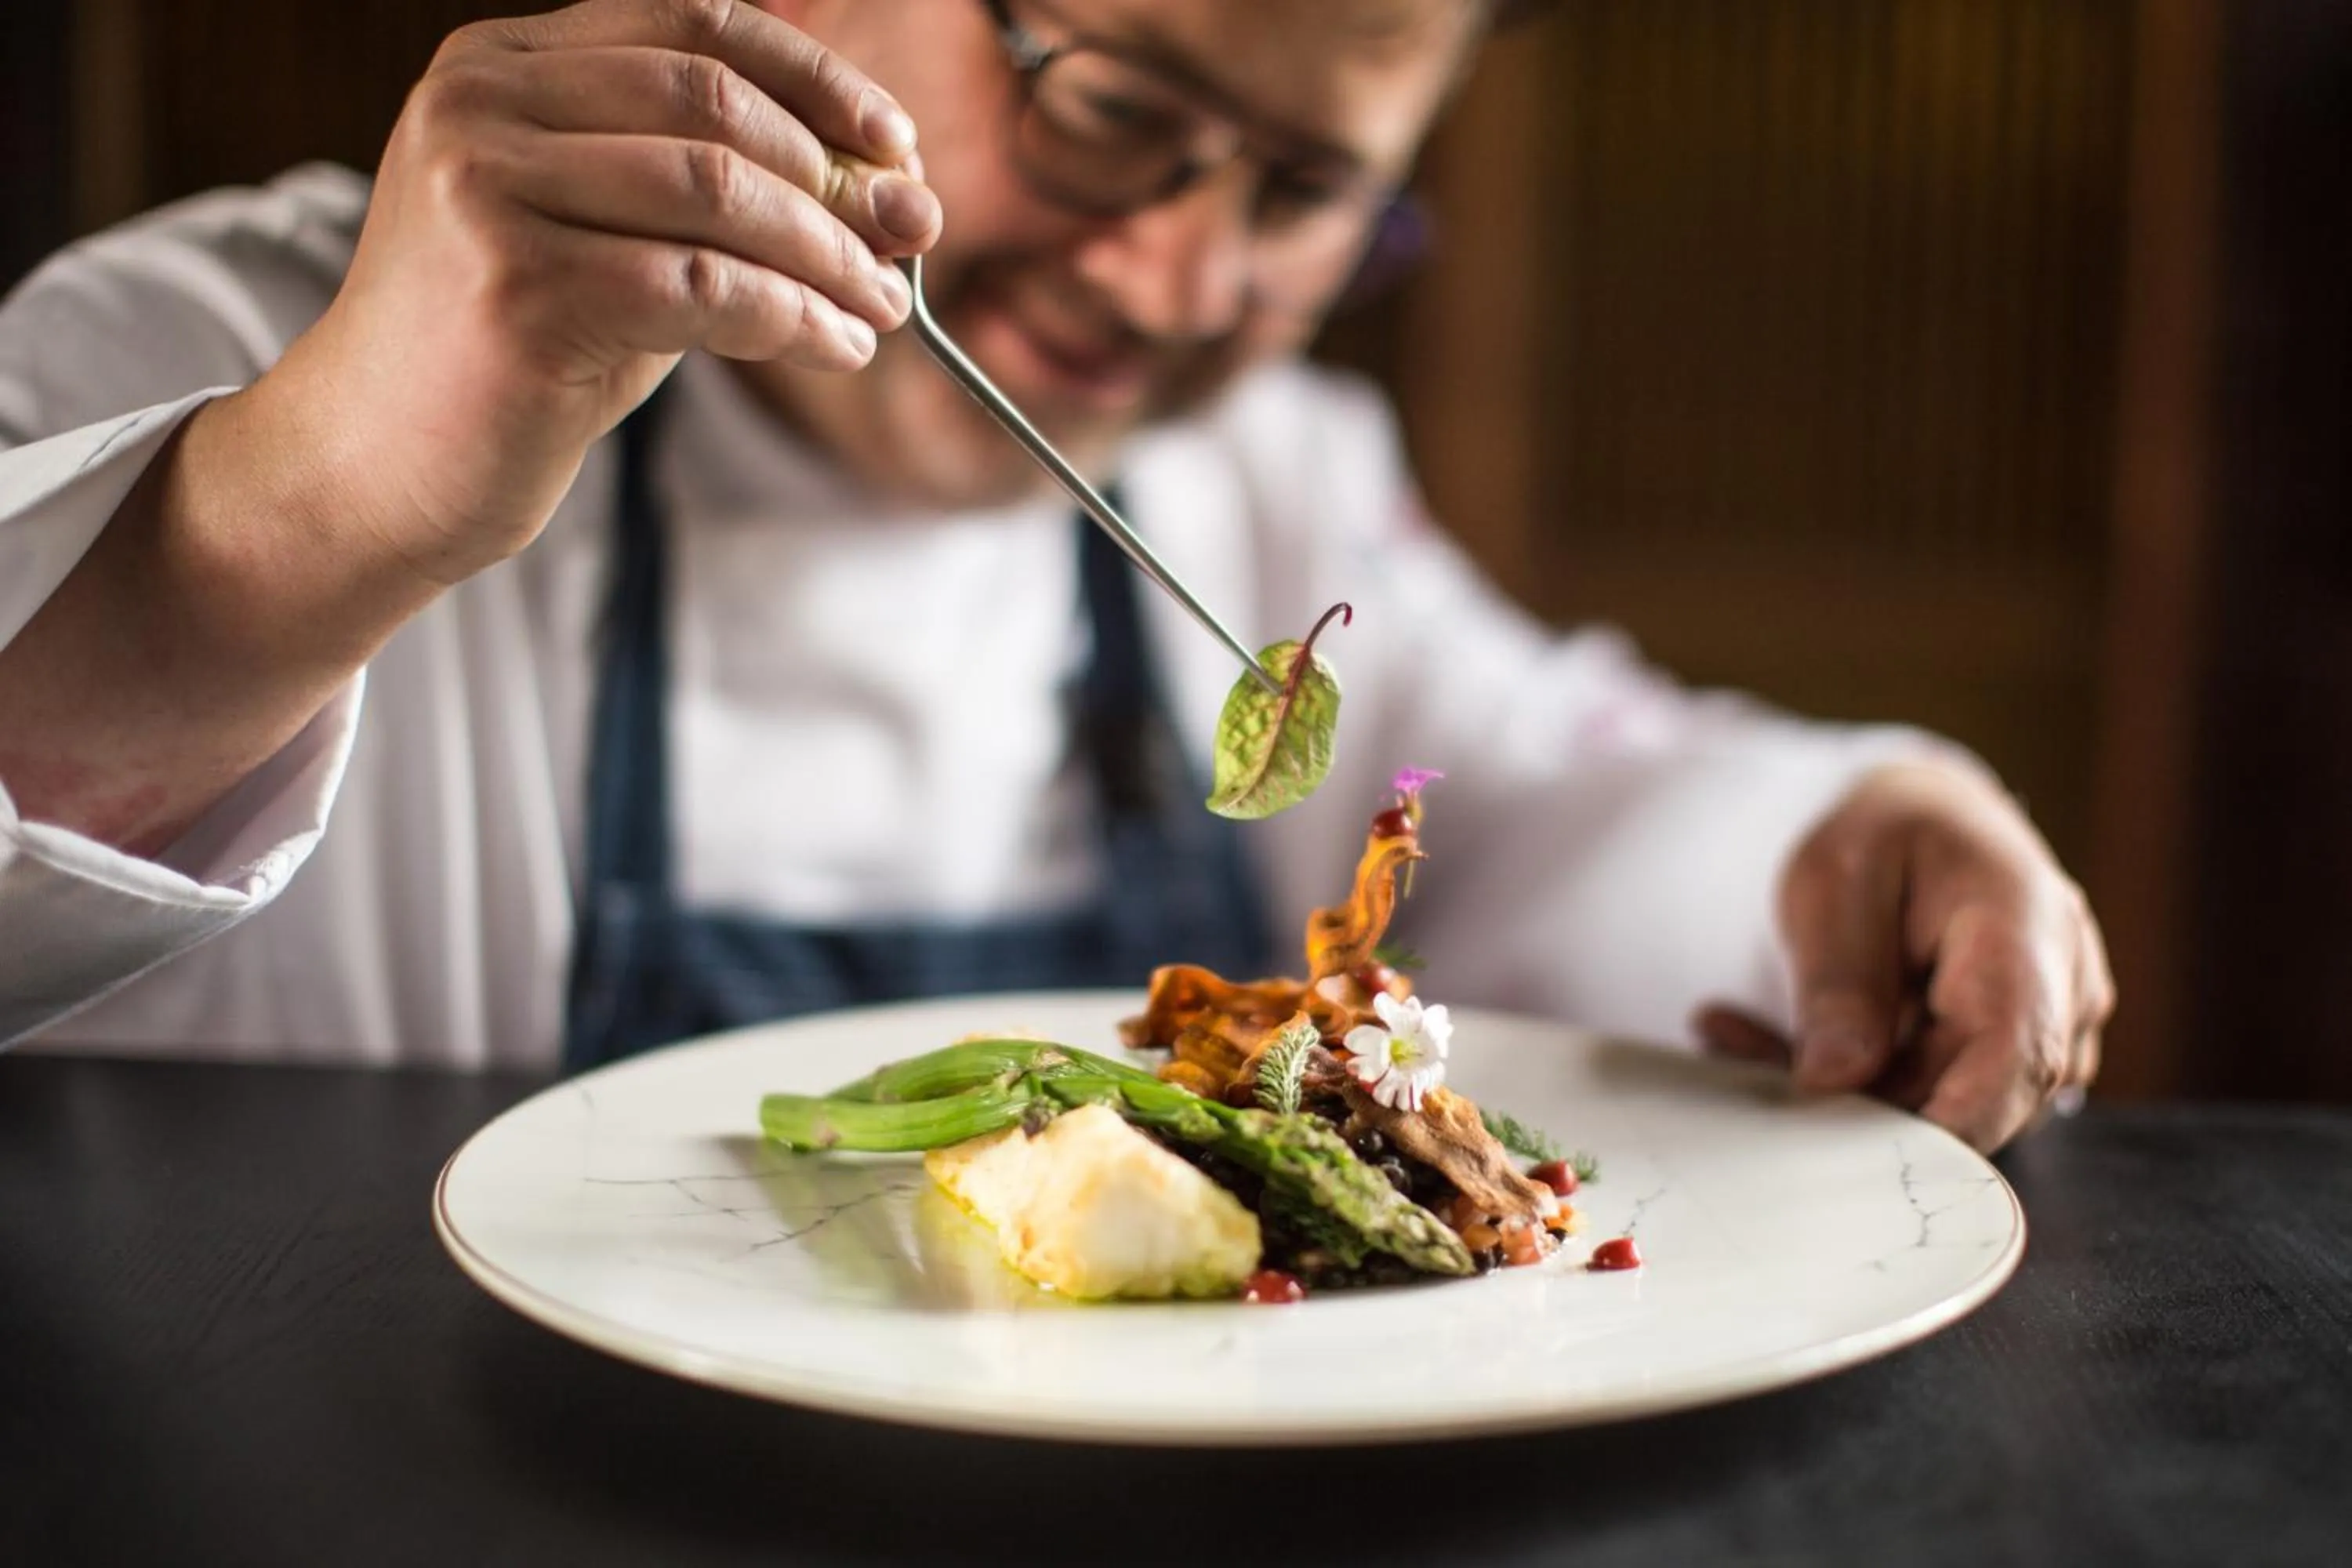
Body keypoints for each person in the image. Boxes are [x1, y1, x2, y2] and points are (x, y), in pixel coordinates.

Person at [0, 0, 2108, 1150]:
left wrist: (1877, 822)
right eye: (1110, 105)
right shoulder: (216, 345)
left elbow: (1557, 790)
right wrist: (314, 506)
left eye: (1304, 194)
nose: (1174, 280)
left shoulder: (1267, 484)